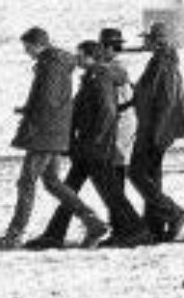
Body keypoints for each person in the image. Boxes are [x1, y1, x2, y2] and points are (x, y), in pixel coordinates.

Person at [0, 27, 109, 249]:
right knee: (52, 182)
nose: (27, 52)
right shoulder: (57, 63)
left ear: (37, 44)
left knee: (27, 182)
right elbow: (52, 100)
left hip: (45, 134)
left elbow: (50, 102)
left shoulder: (51, 65)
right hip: (55, 132)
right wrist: (29, 109)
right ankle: (92, 222)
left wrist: (32, 116)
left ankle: (14, 235)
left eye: (27, 47)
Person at [33, 39, 144, 245]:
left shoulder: (100, 77)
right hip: (87, 144)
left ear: (91, 56)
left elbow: (107, 111)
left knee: (108, 191)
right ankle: (54, 234)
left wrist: (97, 140)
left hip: (94, 147)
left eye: (81, 54)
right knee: (73, 188)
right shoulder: (94, 77)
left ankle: (135, 229)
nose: (77, 58)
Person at [126, 22, 184, 242]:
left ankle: (174, 213)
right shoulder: (160, 62)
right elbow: (152, 95)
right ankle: (154, 226)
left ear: (157, 41)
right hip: (153, 128)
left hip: (154, 130)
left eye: (148, 38)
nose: (145, 42)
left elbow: (166, 101)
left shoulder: (163, 65)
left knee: (137, 173)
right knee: (151, 178)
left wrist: (157, 132)